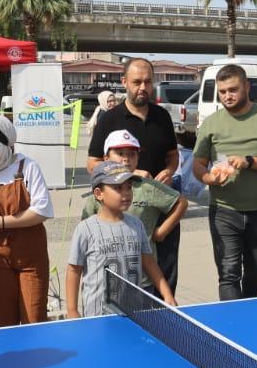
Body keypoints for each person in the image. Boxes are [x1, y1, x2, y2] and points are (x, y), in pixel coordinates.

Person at [192, 64, 257, 301]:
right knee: (228, 274)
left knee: (255, 272)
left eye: (233, 89)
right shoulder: (211, 123)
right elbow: (197, 165)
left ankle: (248, 313)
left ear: (247, 87)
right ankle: (232, 320)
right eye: (222, 91)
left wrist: (250, 161)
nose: (227, 95)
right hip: (223, 211)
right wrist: (208, 178)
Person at [86, 58, 182, 287]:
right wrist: (130, 172)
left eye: (148, 82)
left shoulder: (162, 116)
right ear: (124, 82)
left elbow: (173, 155)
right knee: (130, 277)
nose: (143, 87)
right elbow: (93, 163)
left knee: (166, 277)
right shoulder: (109, 118)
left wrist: (169, 170)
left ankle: (165, 308)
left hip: (162, 206)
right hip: (127, 210)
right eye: (137, 82)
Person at [0, 114, 54, 325]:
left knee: (34, 317)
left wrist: (1, 222)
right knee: (3, 319)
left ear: (1, 144)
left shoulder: (26, 167)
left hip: (31, 257)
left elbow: (42, 211)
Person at [81, 130, 187, 292]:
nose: (126, 158)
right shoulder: (100, 191)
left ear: (138, 158)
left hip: (142, 279)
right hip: (104, 279)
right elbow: (85, 235)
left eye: (132, 154)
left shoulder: (147, 187)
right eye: (120, 153)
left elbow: (181, 203)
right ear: (106, 158)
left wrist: (161, 232)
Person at [66, 162, 176, 318]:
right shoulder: (85, 229)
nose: (126, 193)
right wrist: (72, 310)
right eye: (118, 188)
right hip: (97, 314)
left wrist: (167, 294)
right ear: (99, 193)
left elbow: (149, 263)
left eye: (129, 187)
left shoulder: (137, 225)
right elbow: (74, 270)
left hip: (132, 312)